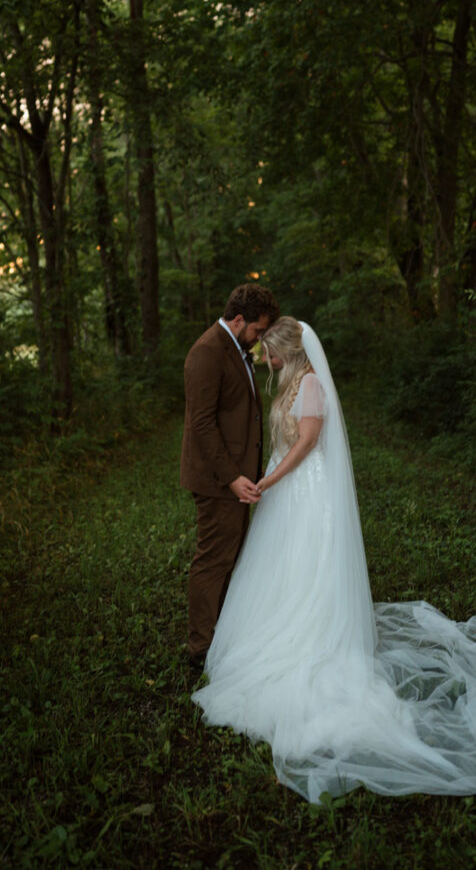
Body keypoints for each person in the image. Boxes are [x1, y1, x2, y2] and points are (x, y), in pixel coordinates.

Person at [192, 317, 476, 803]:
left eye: (269, 352)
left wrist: (271, 481)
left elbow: (304, 445)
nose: (264, 358)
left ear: (288, 351)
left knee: (307, 568)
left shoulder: (311, 386)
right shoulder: (286, 382)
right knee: (280, 569)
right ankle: (278, 627)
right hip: (285, 495)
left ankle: (312, 637)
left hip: (304, 492)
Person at [181, 283, 280, 669]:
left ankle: (221, 635)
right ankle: (200, 649)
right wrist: (231, 477)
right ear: (239, 320)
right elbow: (201, 424)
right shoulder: (206, 352)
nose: (259, 338)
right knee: (213, 560)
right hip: (218, 479)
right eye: (257, 330)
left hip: (239, 477)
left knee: (230, 555)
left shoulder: (237, 349)